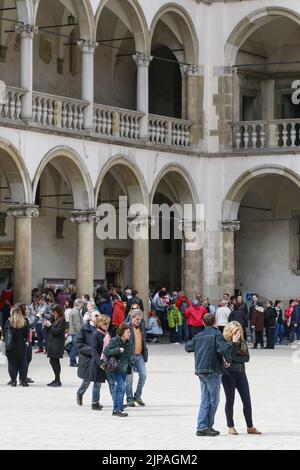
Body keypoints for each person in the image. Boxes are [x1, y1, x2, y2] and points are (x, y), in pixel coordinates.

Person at [185, 313, 240, 437]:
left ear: (203, 323)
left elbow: (188, 347)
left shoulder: (198, 336)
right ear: (215, 322)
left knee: (205, 399)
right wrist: (234, 343)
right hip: (212, 371)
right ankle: (206, 426)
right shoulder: (216, 334)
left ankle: (202, 426)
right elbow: (226, 352)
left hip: (200, 370)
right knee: (213, 400)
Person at [222, 321, 261, 435]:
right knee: (230, 401)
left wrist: (234, 359)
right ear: (229, 331)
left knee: (247, 401)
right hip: (228, 375)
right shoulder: (224, 343)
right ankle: (231, 426)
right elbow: (229, 357)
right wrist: (234, 346)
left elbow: (247, 358)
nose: (237, 333)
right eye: (235, 331)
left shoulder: (242, 342)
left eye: (239, 331)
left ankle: (250, 426)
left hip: (241, 374)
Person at [104, 324, 133, 417]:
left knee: (118, 388)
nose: (130, 334)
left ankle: (115, 409)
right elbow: (106, 351)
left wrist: (131, 362)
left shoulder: (128, 342)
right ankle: (118, 409)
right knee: (121, 387)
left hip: (124, 368)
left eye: (129, 332)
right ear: (122, 332)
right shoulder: (114, 340)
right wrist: (117, 350)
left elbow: (129, 355)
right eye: (128, 332)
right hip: (115, 368)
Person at [76, 310, 101, 406]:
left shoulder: (101, 328)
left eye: (99, 316)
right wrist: (91, 350)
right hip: (88, 357)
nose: (98, 318)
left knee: (98, 380)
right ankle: (80, 393)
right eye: (96, 316)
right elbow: (79, 343)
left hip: (98, 358)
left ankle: (96, 401)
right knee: (87, 379)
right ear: (90, 317)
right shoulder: (84, 328)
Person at [126, 309, 148, 407]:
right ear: (132, 318)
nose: (138, 321)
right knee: (129, 380)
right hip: (129, 357)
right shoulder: (126, 327)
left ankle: (137, 396)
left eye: (139, 319)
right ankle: (129, 398)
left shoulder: (142, 327)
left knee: (143, 376)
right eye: (136, 319)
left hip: (140, 356)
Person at [89, 315, 111, 410]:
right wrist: (100, 363)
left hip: (107, 362)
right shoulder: (95, 335)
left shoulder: (107, 334)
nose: (107, 325)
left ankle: (117, 401)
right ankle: (94, 402)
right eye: (104, 323)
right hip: (98, 364)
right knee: (97, 384)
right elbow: (94, 351)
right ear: (99, 323)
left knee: (112, 382)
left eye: (108, 323)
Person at [4, 305, 29, 387]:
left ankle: (13, 380)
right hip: (21, 344)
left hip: (11, 346)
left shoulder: (9, 322)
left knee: (12, 364)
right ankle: (23, 380)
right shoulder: (24, 321)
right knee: (23, 363)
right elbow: (26, 334)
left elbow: (5, 334)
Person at [44, 304, 66, 387]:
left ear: (58, 312)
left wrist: (49, 326)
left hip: (57, 344)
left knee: (54, 361)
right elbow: (50, 331)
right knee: (53, 361)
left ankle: (58, 380)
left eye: (54, 312)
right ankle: (56, 379)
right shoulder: (56, 319)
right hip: (53, 343)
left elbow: (57, 332)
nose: (53, 313)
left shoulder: (62, 320)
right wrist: (47, 326)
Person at [68, 299, 83, 367]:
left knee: (75, 346)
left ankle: (72, 361)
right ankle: (72, 361)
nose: (82, 305)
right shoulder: (76, 312)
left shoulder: (73, 311)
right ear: (79, 304)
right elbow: (77, 324)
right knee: (76, 347)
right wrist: (80, 332)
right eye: (81, 304)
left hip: (73, 331)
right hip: (76, 332)